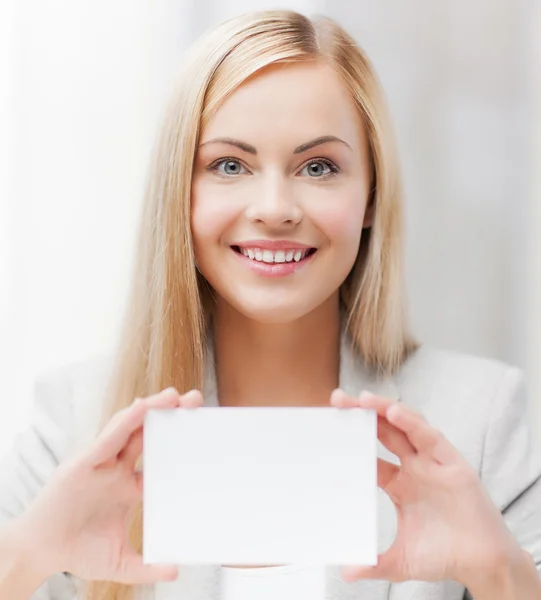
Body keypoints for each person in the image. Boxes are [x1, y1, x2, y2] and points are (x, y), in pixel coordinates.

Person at [1, 8, 540, 600]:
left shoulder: (482, 422)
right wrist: (22, 562)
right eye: (229, 165)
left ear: (369, 198)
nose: (275, 207)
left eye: (318, 167)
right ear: (179, 192)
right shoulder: (74, 422)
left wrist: (502, 579)